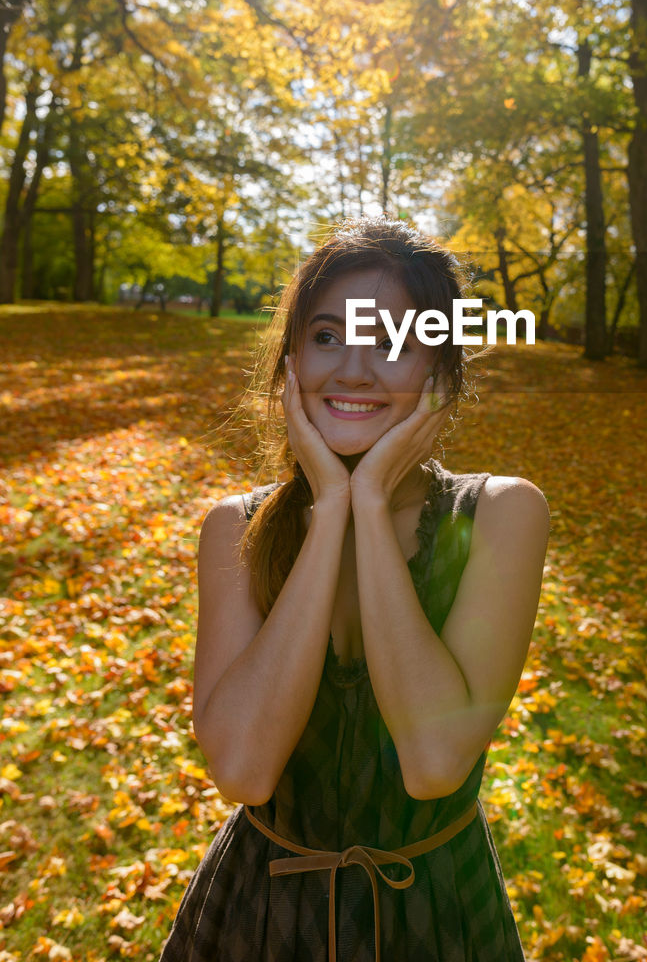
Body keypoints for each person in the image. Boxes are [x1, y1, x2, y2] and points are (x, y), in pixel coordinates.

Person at [159, 215, 550, 962]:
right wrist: (330, 506)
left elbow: (435, 762)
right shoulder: (231, 528)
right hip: (256, 913)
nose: (354, 371)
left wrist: (369, 503)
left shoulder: (503, 514)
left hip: (436, 916)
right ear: (291, 360)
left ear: (443, 368)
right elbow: (241, 770)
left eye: (394, 343)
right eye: (327, 337)